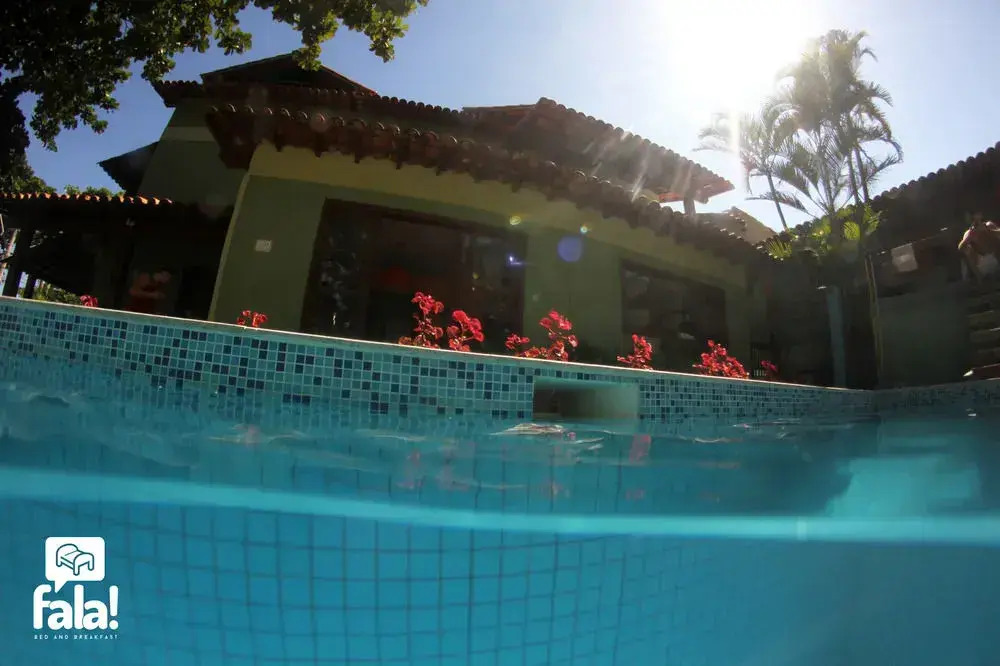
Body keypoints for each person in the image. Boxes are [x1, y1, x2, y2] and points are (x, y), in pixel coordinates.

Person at [958, 214, 1000, 282]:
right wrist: (969, 238)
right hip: (981, 266)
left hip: (995, 258)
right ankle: (981, 280)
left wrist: (988, 231)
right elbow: (961, 248)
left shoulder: (989, 225)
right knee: (969, 251)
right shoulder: (969, 234)